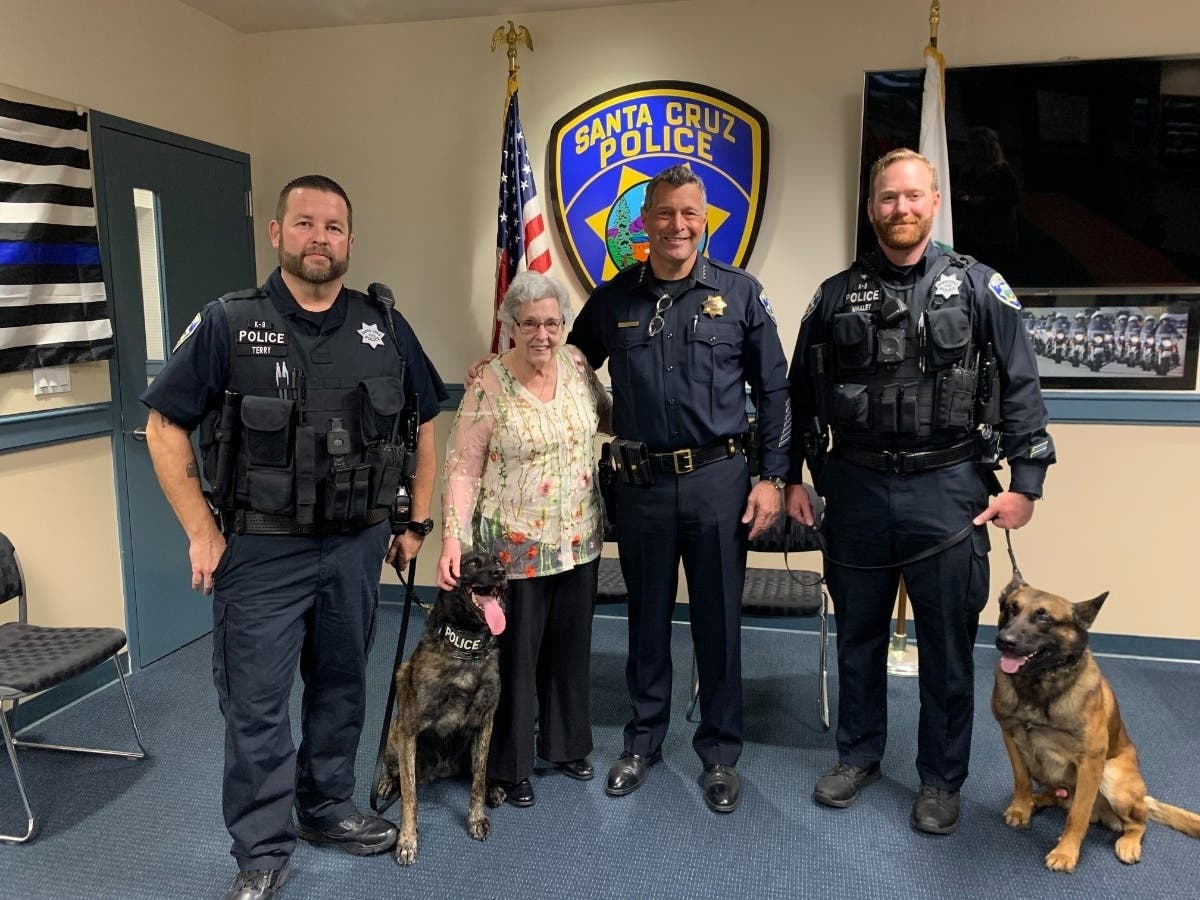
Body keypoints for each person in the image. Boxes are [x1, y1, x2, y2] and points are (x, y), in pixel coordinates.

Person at [142, 175, 447, 900]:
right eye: (305, 223)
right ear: (276, 234)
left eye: (334, 227)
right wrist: (200, 532)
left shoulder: (384, 326)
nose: (321, 238)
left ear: (349, 240)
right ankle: (261, 848)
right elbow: (164, 426)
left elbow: (425, 422)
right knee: (256, 702)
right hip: (261, 549)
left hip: (355, 547)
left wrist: (414, 521)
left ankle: (326, 808)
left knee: (342, 685)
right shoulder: (227, 322)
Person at [785, 148, 1055, 836]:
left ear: (934, 203)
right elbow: (799, 394)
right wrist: (791, 478)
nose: (899, 209)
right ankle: (859, 755)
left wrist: (1027, 483)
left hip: (949, 489)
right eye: (886, 198)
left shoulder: (979, 286)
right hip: (857, 490)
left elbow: (1022, 385)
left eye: (912, 197)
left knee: (945, 645)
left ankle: (940, 778)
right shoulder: (834, 294)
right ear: (871, 207)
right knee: (859, 638)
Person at [570, 164, 790, 814]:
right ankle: (642, 741)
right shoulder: (614, 299)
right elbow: (566, 358)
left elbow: (775, 392)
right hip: (640, 484)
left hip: (719, 481)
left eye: (689, 213)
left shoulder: (740, 294)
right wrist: (503, 367)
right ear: (646, 221)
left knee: (719, 622)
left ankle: (719, 753)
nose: (678, 225)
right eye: (665, 213)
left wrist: (773, 477)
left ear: (704, 219)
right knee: (646, 620)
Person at [438, 270, 612, 808]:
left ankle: (565, 745)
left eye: (552, 322)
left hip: (578, 539)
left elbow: (608, 417)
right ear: (510, 325)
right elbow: (463, 468)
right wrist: (452, 539)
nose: (543, 333)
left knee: (569, 649)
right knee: (514, 660)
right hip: (512, 552)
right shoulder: (488, 382)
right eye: (530, 322)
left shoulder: (579, 366)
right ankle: (507, 766)